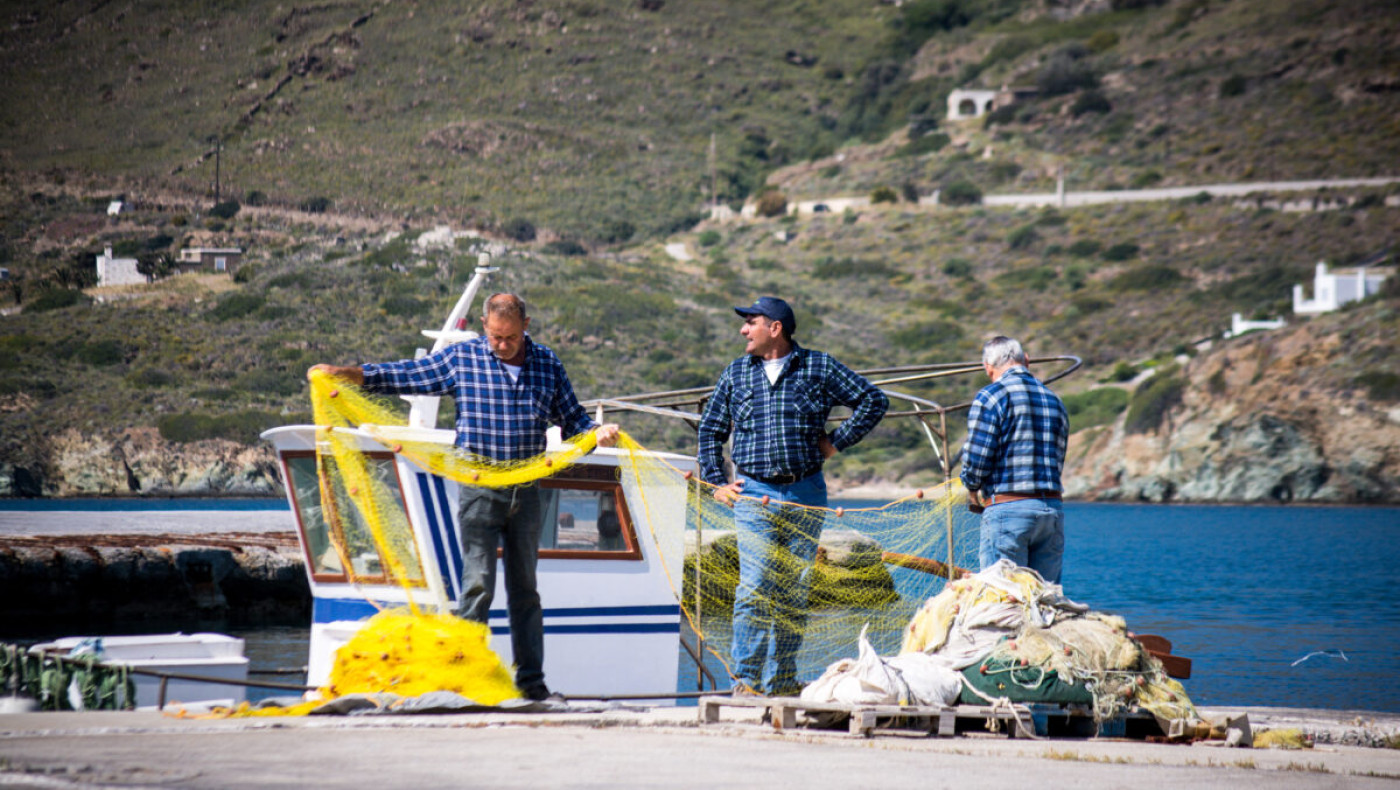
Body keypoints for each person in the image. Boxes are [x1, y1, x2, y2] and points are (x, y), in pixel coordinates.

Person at [309, 292, 619, 701]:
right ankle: (467, 681)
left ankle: (532, 683)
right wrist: (347, 375)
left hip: (527, 491)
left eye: (510, 337)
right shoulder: (463, 358)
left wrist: (597, 434)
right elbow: (406, 374)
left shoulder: (547, 363)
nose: (501, 345)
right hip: (478, 488)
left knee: (526, 590)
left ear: (526, 327)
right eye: (495, 336)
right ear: (484, 326)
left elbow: (574, 419)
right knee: (477, 586)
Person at [698, 296, 888, 697]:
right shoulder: (735, 373)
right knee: (754, 588)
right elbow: (711, 429)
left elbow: (874, 401)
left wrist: (835, 442)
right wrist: (717, 481)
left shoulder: (819, 366)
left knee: (794, 590)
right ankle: (746, 682)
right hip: (753, 493)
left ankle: (781, 681)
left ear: (775, 328)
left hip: (805, 492)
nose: (743, 330)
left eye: (751, 322)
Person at [960, 336, 1070, 583]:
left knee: (1003, 595)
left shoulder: (990, 396)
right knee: (1045, 596)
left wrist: (972, 487)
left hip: (1008, 510)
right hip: (1051, 511)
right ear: (1026, 360)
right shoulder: (1054, 400)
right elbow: (1058, 457)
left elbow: (977, 458)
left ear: (988, 367)